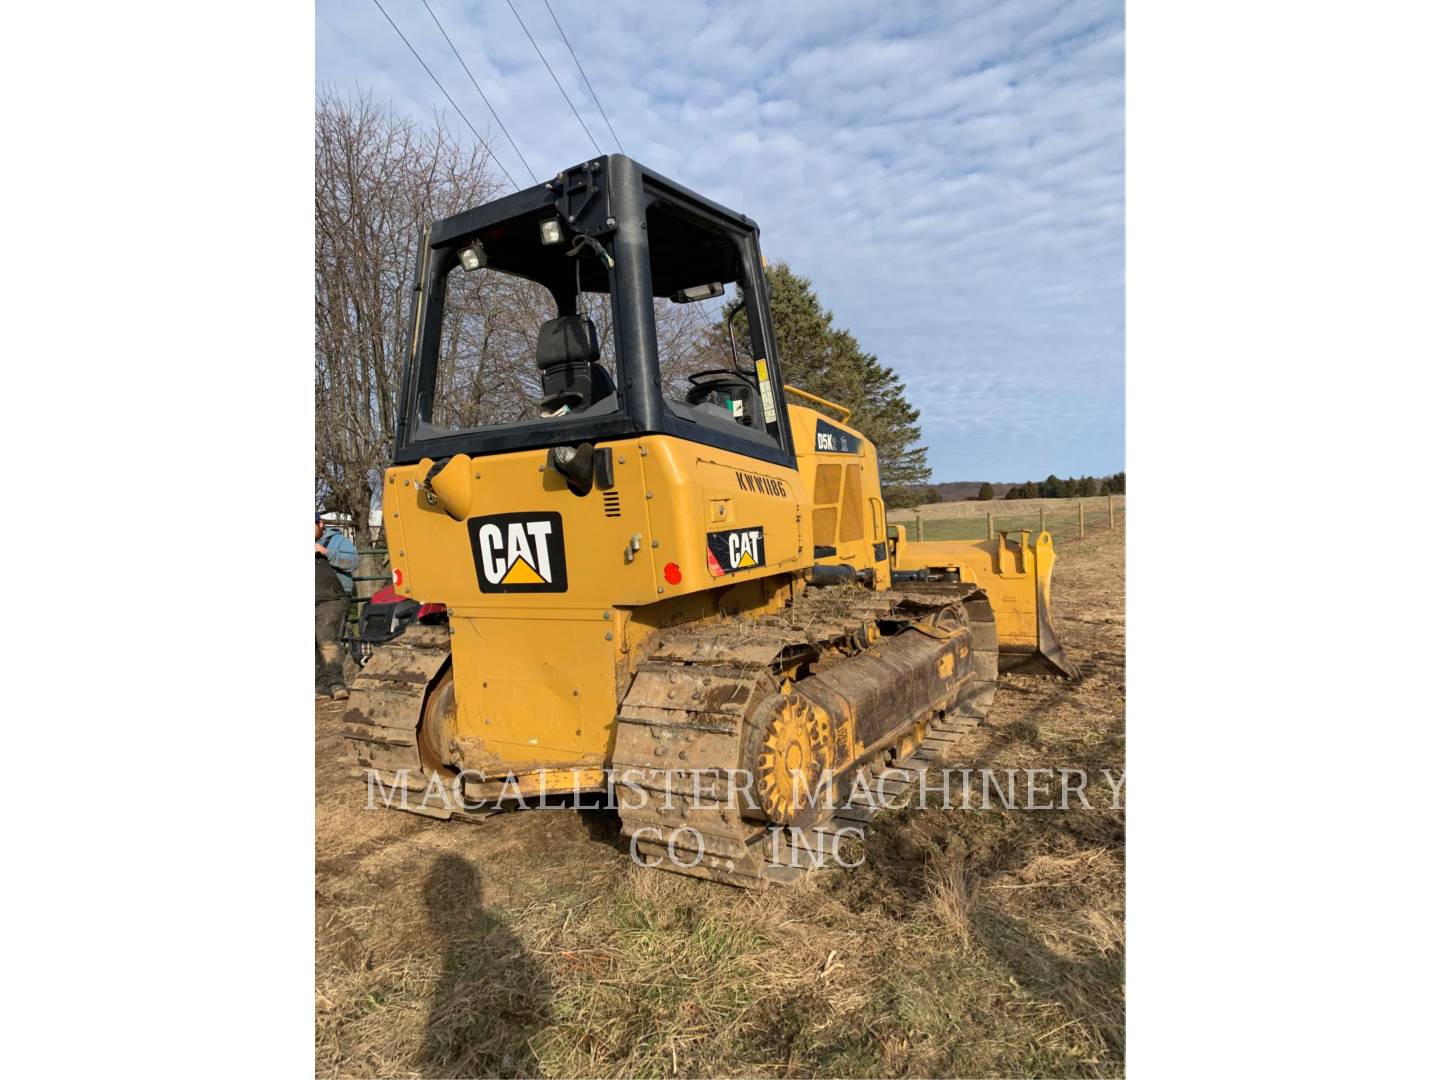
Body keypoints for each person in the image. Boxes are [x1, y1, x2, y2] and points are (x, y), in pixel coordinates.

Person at [315, 512, 359, 701]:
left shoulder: (336, 540)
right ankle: (319, 686)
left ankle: (336, 684)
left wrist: (325, 552)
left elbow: (353, 562)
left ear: (320, 523)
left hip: (333, 598)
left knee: (328, 640)